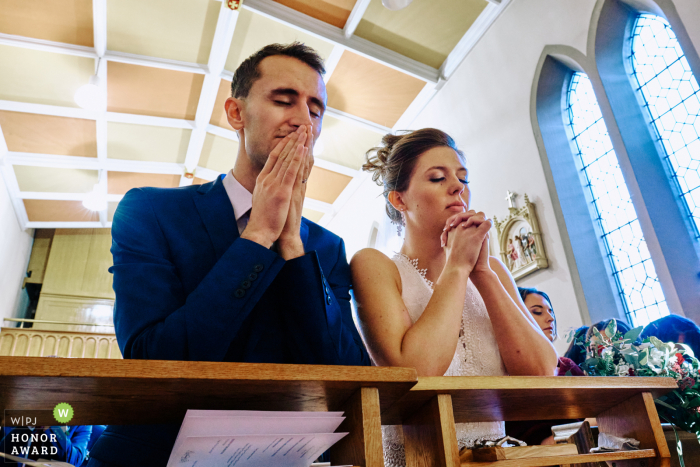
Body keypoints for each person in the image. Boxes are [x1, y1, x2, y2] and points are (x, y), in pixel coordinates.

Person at [88, 43, 370, 467]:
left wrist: (292, 245)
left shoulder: (325, 248)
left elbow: (348, 376)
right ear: (236, 113)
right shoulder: (151, 210)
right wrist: (257, 236)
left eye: (315, 110)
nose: (302, 121)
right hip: (154, 454)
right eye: (283, 100)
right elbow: (151, 355)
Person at [351, 128, 558, 466]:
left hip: (495, 458)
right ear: (399, 200)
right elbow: (416, 372)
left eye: (463, 178)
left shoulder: (492, 270)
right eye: (436, 177)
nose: (458, 187)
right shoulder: (375, 266)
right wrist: (457, 267)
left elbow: (541, 373)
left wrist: (483, 274)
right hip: (420, 458)